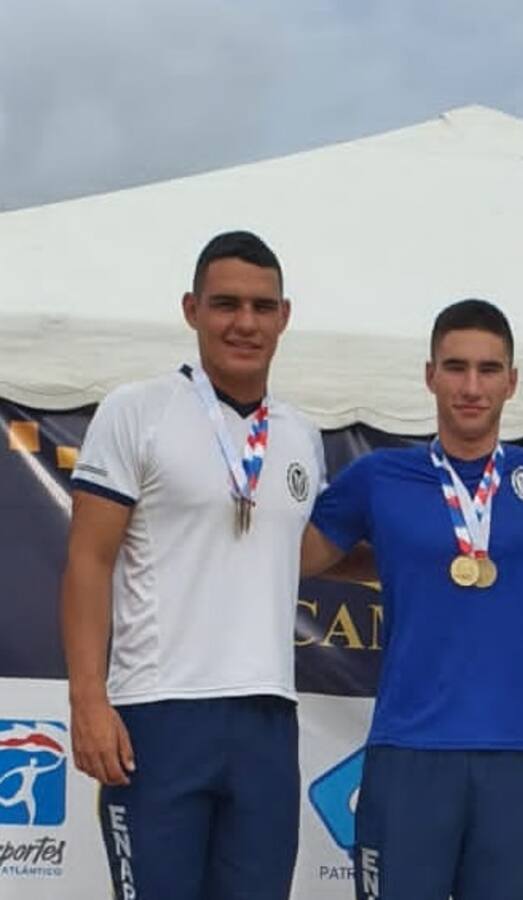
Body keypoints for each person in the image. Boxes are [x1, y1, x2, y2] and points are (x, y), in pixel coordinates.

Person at [301, 298, 523, 900]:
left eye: (488, 370)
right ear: (429, 374)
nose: (470, 386)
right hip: (408, 752)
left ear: (512, 382)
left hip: (511, 754)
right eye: (455, 367)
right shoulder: (378, 477)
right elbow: (290, 560)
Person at [60, 231, 325, 900]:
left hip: (267, 717)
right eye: (226, 304)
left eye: (263, 307)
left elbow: (309, 551)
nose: (245, 323)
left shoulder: (300, 434)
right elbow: (88, 561)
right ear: (191, 309)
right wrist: (88, 699)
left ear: (285, 316)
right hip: (159, 712)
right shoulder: (137, 411)